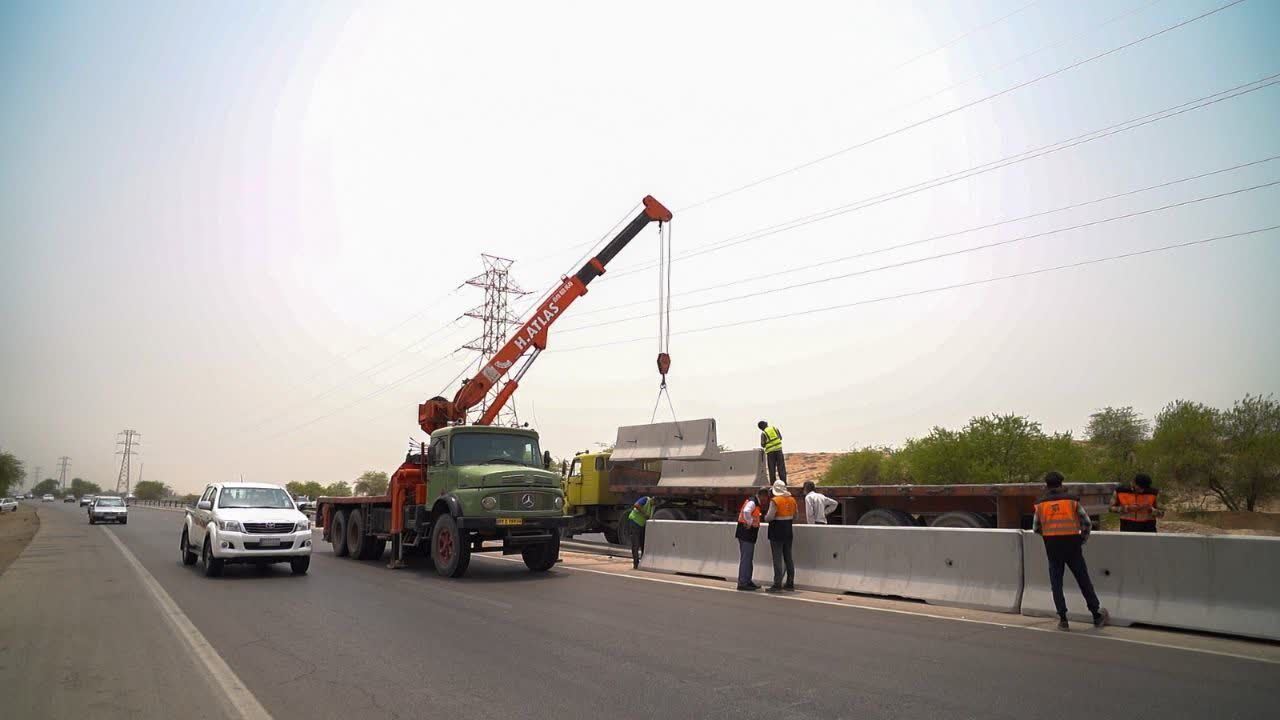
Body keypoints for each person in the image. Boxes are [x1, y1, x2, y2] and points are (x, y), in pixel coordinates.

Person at [1033, 471, 1109, 631]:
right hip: (1072, 545)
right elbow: (1087, 523)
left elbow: (1036, 528)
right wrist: (1082, 539)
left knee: (1056, 583)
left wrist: (1049, 536)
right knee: (1083, 579)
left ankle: (1063, 619)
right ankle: (1096, 615)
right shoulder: (1072, 501)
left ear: (1046, 486)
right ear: (1062, 484)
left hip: (1052, 546)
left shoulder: (1040, 504)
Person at [763, 480, 796, 591]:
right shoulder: (792, 500)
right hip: (788, 532)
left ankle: (777, 584)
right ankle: (790, 582)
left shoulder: (775, 500)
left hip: (776, 532)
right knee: (788, 557)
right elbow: (795, 517)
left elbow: (769, 517)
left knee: (777, 558)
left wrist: (764, 517)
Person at [735, 488, 770, 591]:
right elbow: (746, 511)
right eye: (766, 498)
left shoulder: (754, 501)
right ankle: (743, 583)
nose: (766, 500)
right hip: (746, 533)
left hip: (747, 534)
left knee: (748, 559)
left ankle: (747, 580)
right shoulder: (753, 502)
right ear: (762, 496)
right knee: (746, 559)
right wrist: (750, 522)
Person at [627, 496, 653, 569]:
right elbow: (636, 505)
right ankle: (636, 564)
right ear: (653, 498)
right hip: (634, 522)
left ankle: (642, 562)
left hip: (641, 525)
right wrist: (644, 514)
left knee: (643, 543)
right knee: (635, 544)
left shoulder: (652, 506)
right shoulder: (646, 499)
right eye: (654, 501)